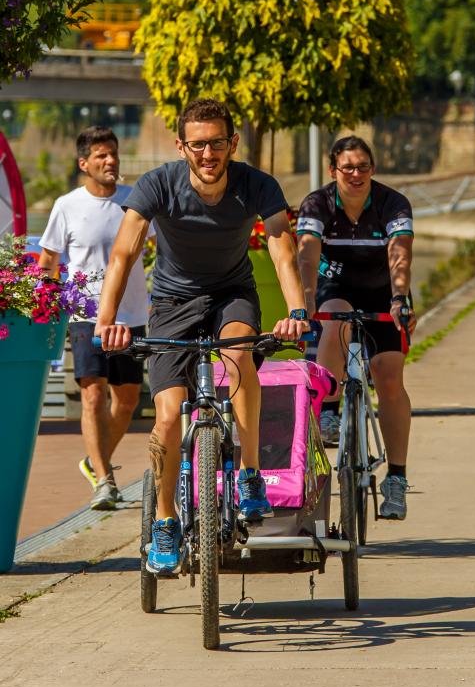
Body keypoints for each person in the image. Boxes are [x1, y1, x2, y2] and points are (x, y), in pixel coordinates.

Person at [95, 98, 309, 576]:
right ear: (181, 146)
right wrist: (106, 320)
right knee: (168, 418)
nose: (208, 154)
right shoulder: (158, 185)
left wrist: (296, 310)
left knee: (239, 360)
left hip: (232, 295)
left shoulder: (257, 184)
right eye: (197, 145)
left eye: (217, 143)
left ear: (232, 143)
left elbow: (281, 249)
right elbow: (123, 254)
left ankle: (250, 473)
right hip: (171, 305)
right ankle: (167, 521)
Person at [297, 135, 417, 521]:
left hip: (384, 293)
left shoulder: (392, 203)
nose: (356, 174)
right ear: (333, 171)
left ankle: (396, 479)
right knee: (335, 322)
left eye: (363, 166)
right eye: (347, 167)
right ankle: (330, 410)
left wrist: (400, 298)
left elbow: (400, 253)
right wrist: (306, 297)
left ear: (373, 170)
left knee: (388, 375)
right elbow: (308, 250)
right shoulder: (317, 204)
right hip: (334, 286)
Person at [38, 126, 152, 511]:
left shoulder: (135, 201)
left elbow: (160, 248)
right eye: (101, 156)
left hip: (133, 314)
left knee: (127, 400)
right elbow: (48, 263)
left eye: (114, 154)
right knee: (92, 396)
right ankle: (104, 480)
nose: (111, 161)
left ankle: (94, 459)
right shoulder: (67, 205)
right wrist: (50, 310)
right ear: (83, 163)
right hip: (86, 316)